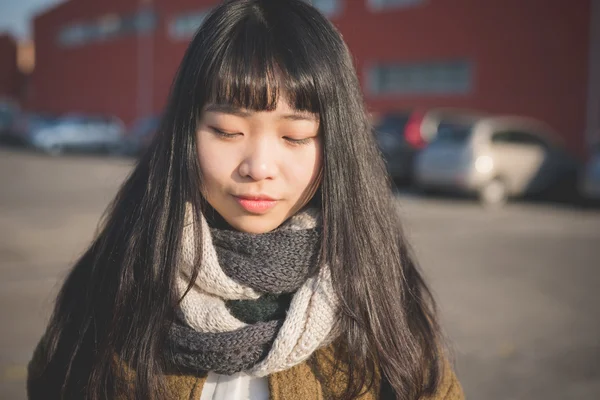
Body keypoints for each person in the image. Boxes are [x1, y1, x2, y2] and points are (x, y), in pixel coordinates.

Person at [27, 0, 464, 399]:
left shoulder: (377, 290)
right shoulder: (120, 277)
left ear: (337, 145)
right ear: (186, 132)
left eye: (296, 136)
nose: (258, 166)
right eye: (226, 131)